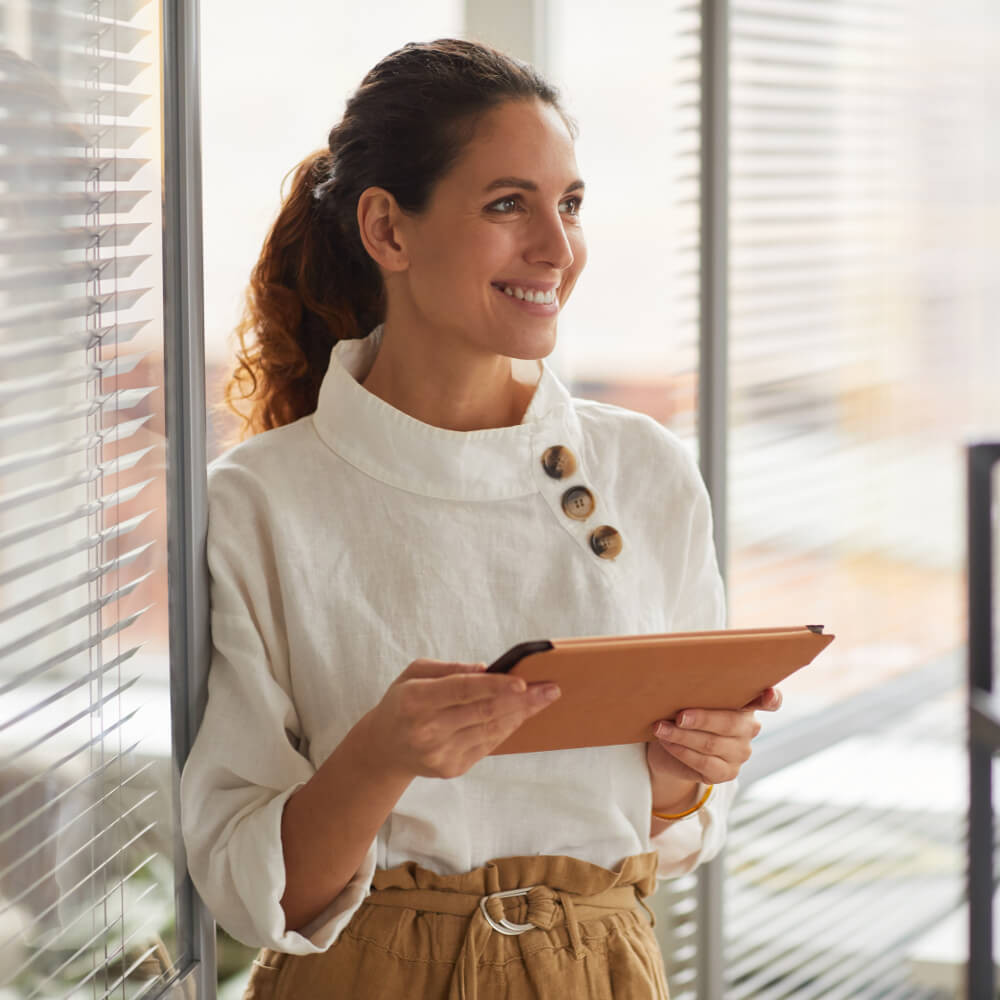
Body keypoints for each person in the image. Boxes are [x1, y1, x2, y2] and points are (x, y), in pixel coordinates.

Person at [179, 37, 781, 1000]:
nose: (558, 247)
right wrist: (382, 756)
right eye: (510, 205)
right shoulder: (260, 502)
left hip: (604, 967)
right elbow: (257, 893)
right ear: (388, 230)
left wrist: (687, 771)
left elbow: (670, 828)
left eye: (570, 204)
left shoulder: (647, 470)